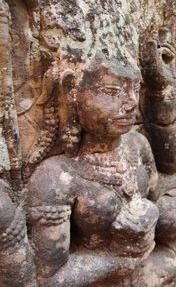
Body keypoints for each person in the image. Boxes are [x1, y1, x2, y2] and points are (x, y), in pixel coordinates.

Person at [26, 52, 159, 286]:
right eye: (112, 92)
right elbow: (50, 279)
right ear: (72, 93)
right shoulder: (56, 177)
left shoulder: (138, 145)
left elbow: (155, 198)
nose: (131, 104)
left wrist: (149, 217)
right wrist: (116, 258)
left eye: (134, 90)